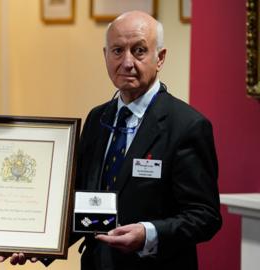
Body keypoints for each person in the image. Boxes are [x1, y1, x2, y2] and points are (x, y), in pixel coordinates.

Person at [72, 10, 222, 270]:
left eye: (139, 50)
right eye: (117, 51)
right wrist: (42, 245)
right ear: (105, 55)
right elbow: (85, 199)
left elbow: (205, 216)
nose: (127, 62)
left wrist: (148, 233)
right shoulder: (97, 119)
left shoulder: (187, 126)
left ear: (160, 58)